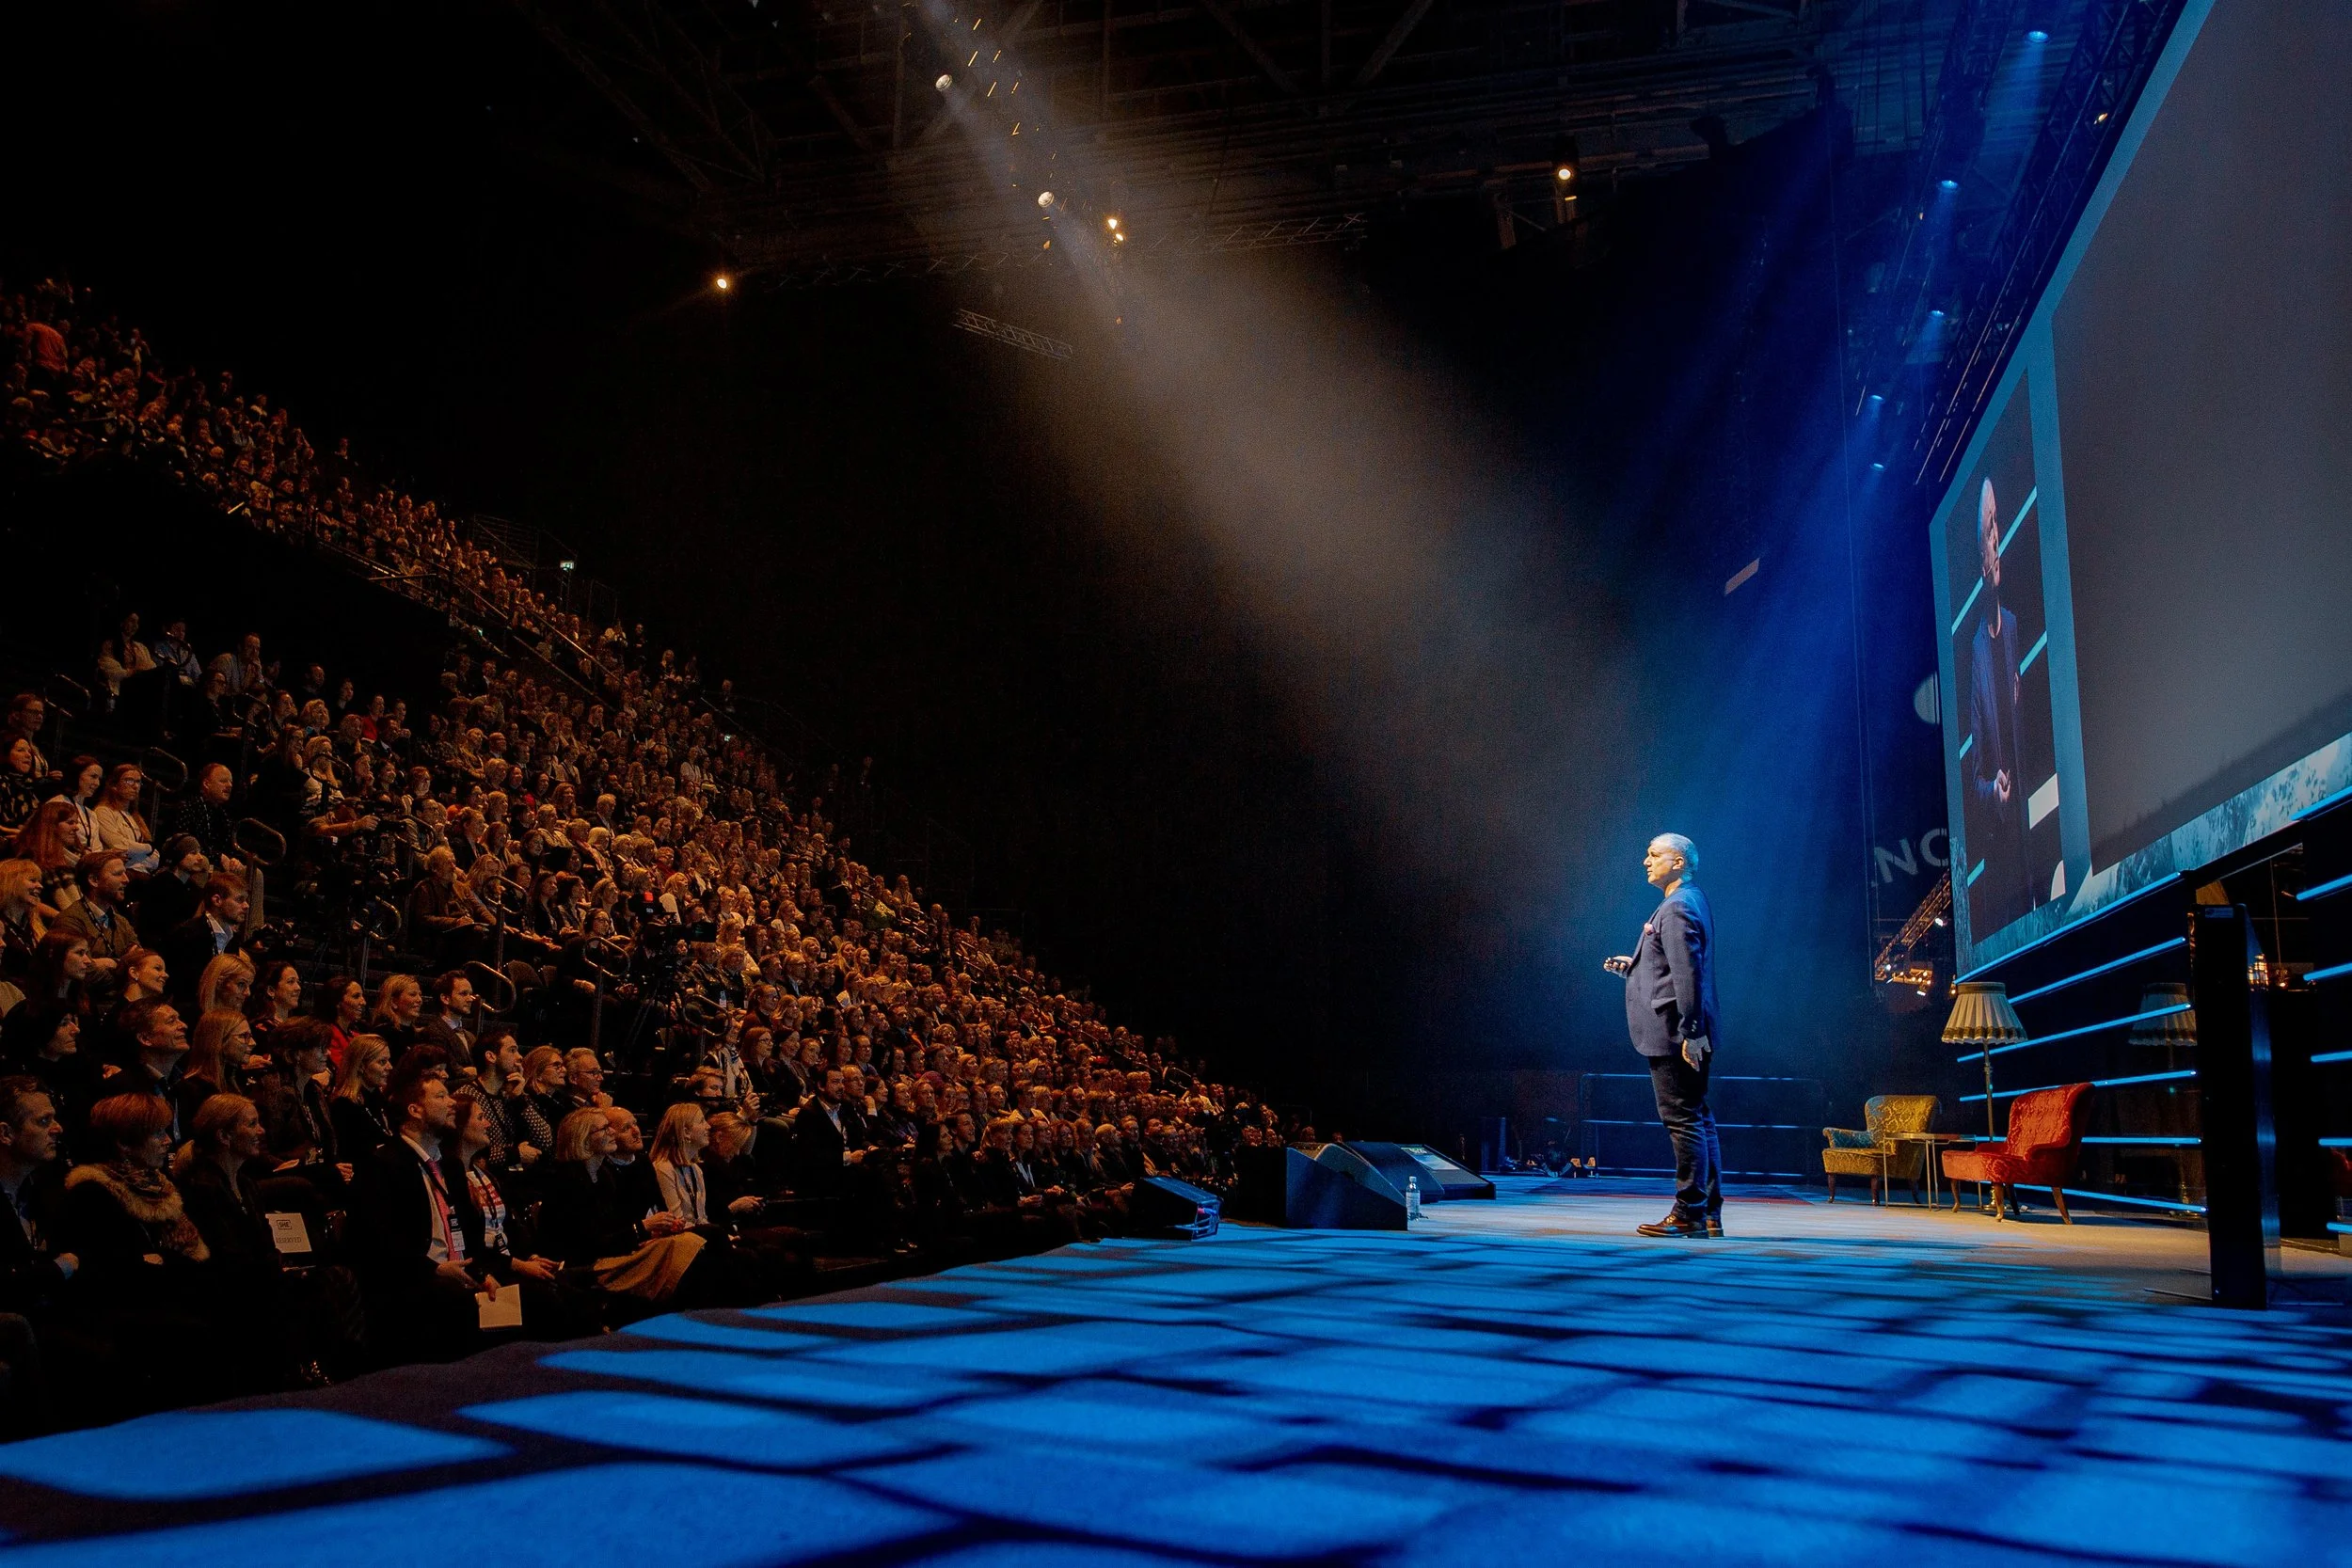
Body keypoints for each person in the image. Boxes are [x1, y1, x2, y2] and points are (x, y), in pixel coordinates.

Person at [1604, 832, 1724, 1239]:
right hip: (1685, 1026)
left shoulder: (1676, 907)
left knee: (1683, 1119)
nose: (1645, 860)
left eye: (1654, 854)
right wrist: (1635, 965)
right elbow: (1676, 966)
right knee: (1698, 1117)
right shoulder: (1690, 900)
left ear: (1678, 862)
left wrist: (1690, 1031)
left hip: (1674, 1031)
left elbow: (1689, 973)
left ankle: (1688, 1212)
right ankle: (1708, 1212)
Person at [349, 1057, 481, 1364]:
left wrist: (483, 1273)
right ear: (415, 1110)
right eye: (440, 1096)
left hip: (459, 1274)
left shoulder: (450, 1165)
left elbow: (470, 1231)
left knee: (529, 1298)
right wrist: (434, 1268)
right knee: (457, 1304)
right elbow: (378, 1244)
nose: (452, 1104)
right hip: (410, 1282)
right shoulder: (382, 1165)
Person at [1965, 477, 2034, 936]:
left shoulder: (2014, 627)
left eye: (1998, 526)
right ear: (1981, 558)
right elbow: (1974, 777)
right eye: (1990, 529)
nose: (1997, 539)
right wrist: (1995, 790)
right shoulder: (1976, 652)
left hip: (2032, 821)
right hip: (2002, 838)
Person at [329, 1034, 395, 1160]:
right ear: (360, 1066)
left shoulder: (380, 1100)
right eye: (382, 1062)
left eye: (389, 1060)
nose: (390, 1067)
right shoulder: (344, 1106)